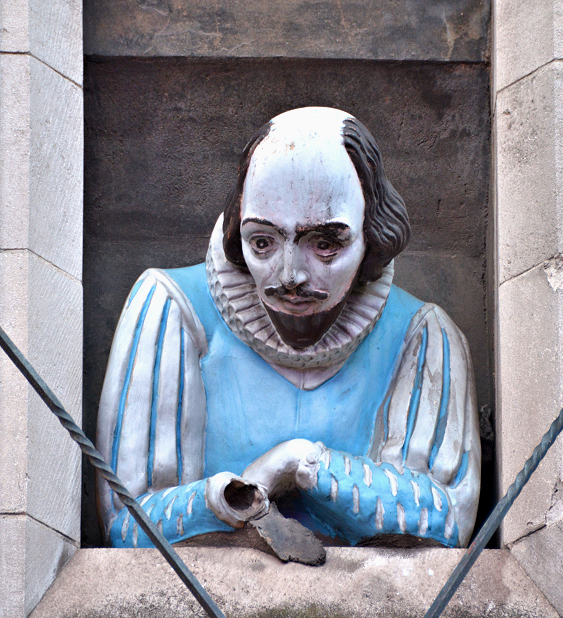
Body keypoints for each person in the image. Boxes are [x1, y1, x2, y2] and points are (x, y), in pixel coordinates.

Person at [97, 107, 480, 550]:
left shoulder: (423, 334)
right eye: (263, 242)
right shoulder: (172, 309)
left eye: (325, 244)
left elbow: (445, 522)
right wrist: (234, 498)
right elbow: (130, 525)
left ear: (373, 234)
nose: (290, 275)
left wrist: (302, 463)